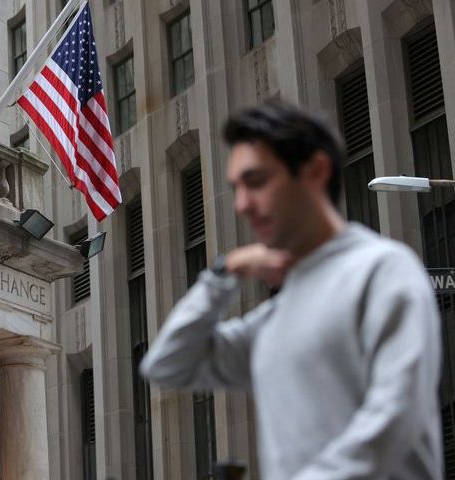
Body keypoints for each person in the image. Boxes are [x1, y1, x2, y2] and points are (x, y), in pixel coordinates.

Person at [140, 101, 444, 479]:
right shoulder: (273, 319)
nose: (241, 205)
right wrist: (222, 274)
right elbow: (166, 365)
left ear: (315, 171)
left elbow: (396, 418)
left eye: (256, 181)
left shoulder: (383, 271)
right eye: (236, 188)